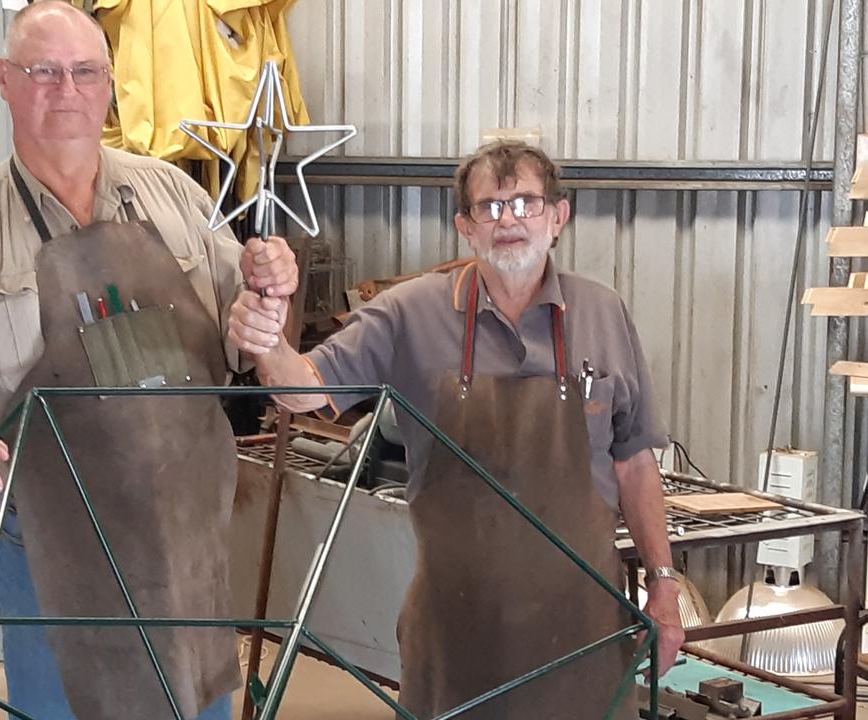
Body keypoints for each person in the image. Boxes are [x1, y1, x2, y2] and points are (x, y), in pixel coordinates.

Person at [0, 2, 296, 718]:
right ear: (5, 81)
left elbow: (247, 326)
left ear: (109, 86)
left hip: (184, 529)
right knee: (66, 703)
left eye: (84, 72)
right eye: (43, 72)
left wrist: (269, 298)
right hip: (56, 538)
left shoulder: (174, 194)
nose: (65, 90)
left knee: (194, 704)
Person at [229, 140, 684, 718]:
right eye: (490, 208)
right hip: (454, 634)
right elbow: (303, 387)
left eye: (526, 203)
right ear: (466, 228)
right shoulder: (408, 314)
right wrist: (267, 332)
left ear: (559, 217)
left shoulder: (604, 313)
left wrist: (664, 587)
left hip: (582, 632)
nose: (509, 220)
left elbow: (635, 462)